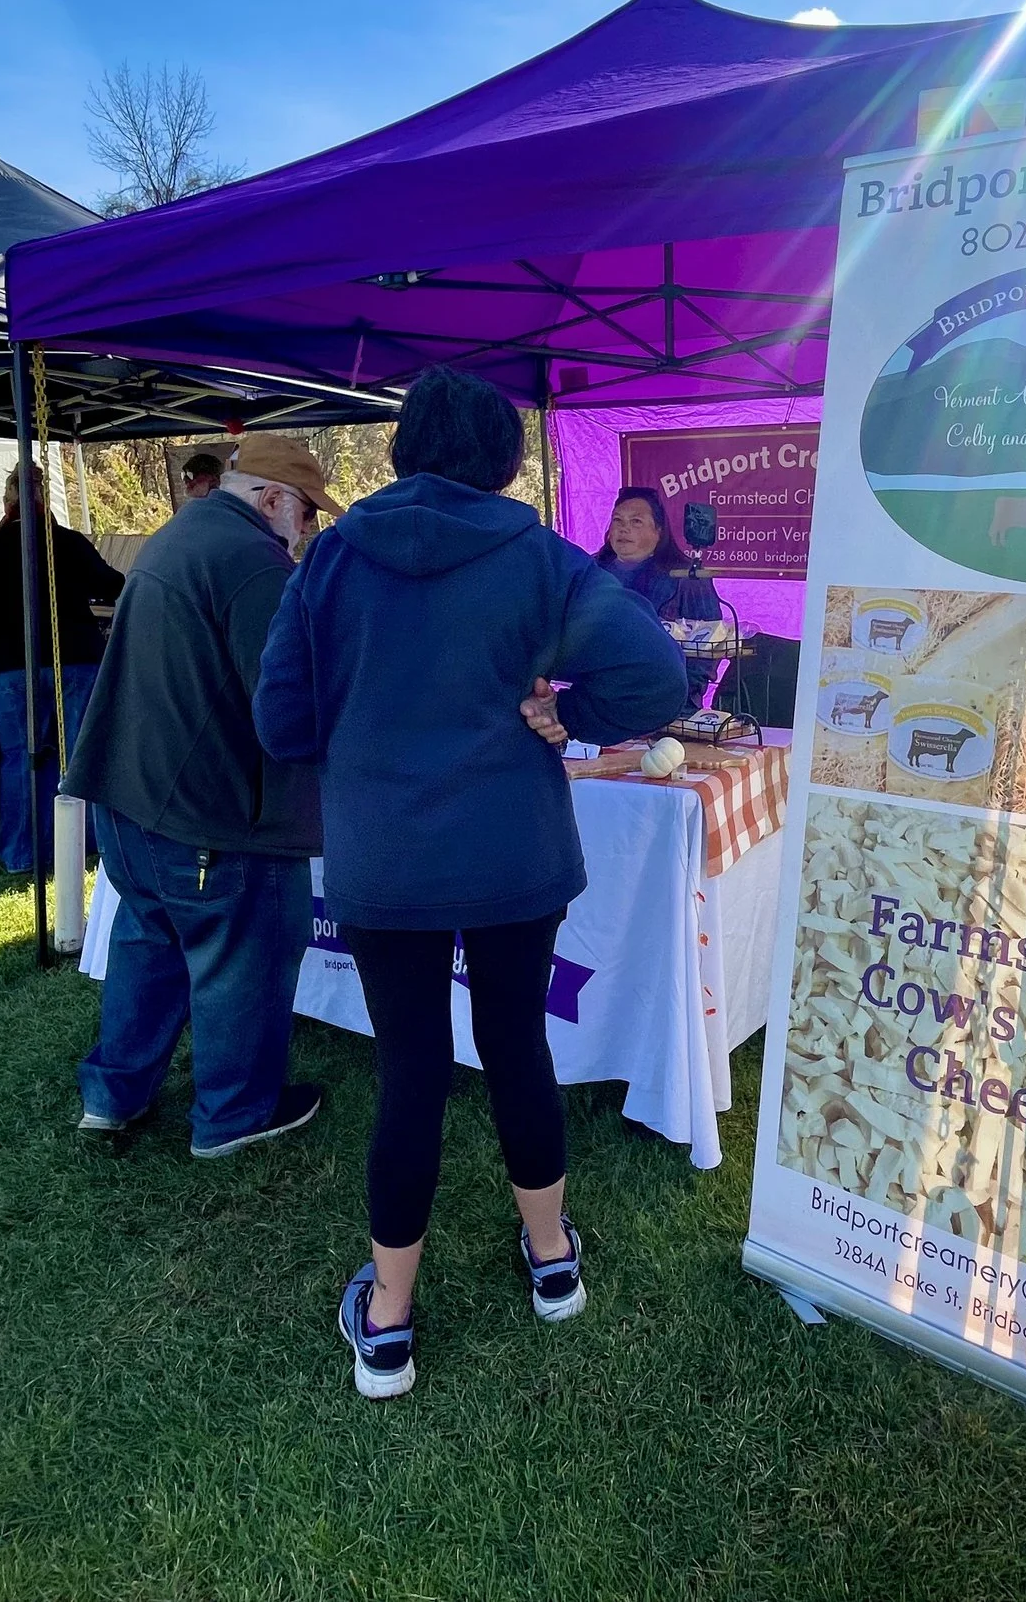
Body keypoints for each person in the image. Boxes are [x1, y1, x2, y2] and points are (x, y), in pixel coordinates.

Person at [255, 367, 689, 1400]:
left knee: (410, 1070)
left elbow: (282, 725)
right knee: (513, 1046)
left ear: (405, 449)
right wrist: (567, 716)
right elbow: (660, 681)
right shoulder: (538, 556)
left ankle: (391, 1321)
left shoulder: (327, 562)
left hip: (385, 861)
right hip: (513, 856)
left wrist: (368, 735)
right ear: (501, 457)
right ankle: (551, 1262)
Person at [60, 433, 343, 1157]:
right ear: (273, 499)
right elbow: (283, 700)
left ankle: (111, 1095)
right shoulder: (253, 559)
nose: (305, 529)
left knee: (149, 943)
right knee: (243, 954)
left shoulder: (183, 530)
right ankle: (235, 1113)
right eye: (306, 513)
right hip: (207, 813)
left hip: (129, 796)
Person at [0, 469, 127, 873]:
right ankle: (86, 845)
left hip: (15, 666)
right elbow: (113, 584)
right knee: (79, 755)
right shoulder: (68, 542)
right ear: (44, 499)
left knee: (23, 759)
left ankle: (22, 852)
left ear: (6, 501)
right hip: (78, 658)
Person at [596, 485, 721, 701]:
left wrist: (678, 692)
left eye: (636, 522)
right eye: (618, 520)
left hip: (664, 702)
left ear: (658, 531)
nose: (623, 529)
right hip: (598, 697)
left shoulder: (686, 577)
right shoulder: (590, 572)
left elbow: (709, 645)